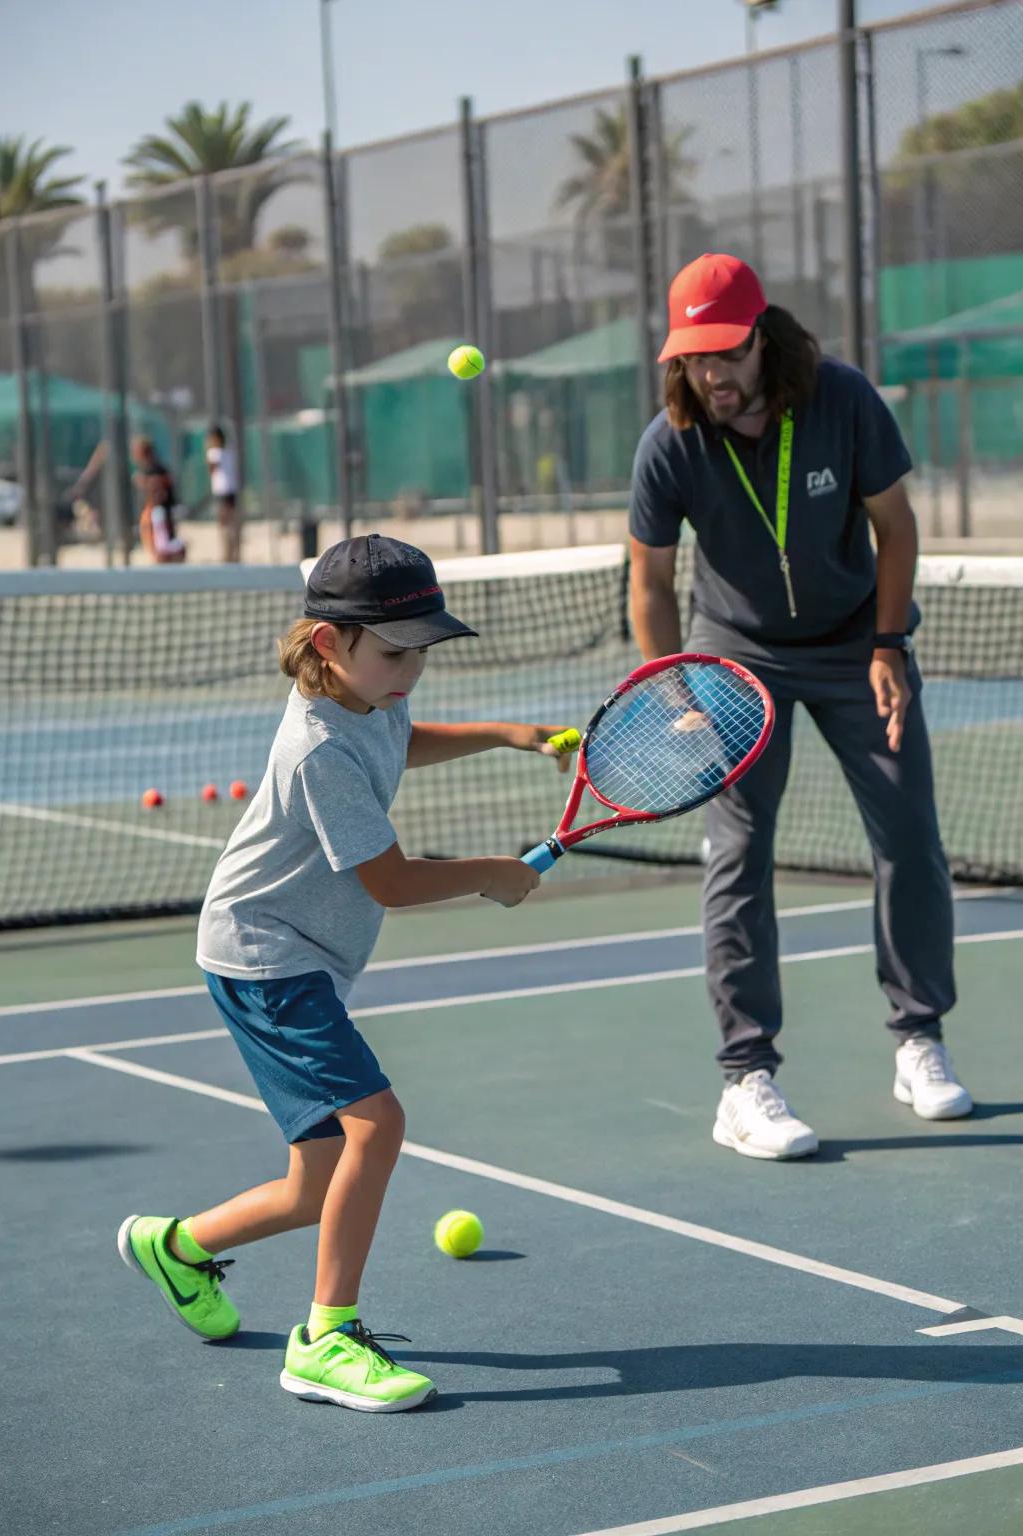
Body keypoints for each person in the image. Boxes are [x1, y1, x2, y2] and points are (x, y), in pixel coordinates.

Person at [117, 534, 571, 1412]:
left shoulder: (366, 695)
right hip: (267, 960)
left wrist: (505, 735)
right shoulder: (318, 748)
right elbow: (392, 882)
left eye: (422, 656)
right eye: (397, 653)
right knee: (377, 1126)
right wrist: (490, 872)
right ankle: (326, 1338)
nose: (411, 673)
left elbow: (401, 738)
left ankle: (175, 1248)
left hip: (296, 957)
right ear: (330, 643)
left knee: (315, 1180)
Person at [628, 252, 973, 1162]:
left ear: (761, 336)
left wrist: (890, 644)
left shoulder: (844, 399)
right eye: (693, 358)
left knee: (909, 836)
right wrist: (676, 687)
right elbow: (650, 582)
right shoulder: (671, 442)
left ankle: (919, 1041)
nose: (712, 375)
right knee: (740, 853)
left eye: (726, 353)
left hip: (859, 645)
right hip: (734, 659)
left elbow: (895, 526)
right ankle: (746, 1080)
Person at [132, 436, 186, 564]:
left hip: (161, 511)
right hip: (157, 511)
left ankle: (174, 552)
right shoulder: (148, 469)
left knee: (162, 544)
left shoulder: (155, 469)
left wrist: (146, 483)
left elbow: (160, 490)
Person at [205, 424, 241, 563]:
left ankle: (227, 555)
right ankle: (234, 553)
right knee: (231, 523)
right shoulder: (229, 452)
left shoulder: (214, 453)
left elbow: (211, 469)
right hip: (231, 490)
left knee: (224, 525)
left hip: (222, 491)